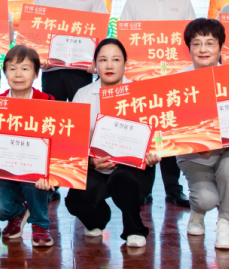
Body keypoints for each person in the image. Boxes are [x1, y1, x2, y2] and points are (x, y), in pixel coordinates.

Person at [66, 38, 161, 248]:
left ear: (126, 63)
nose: (109, 65)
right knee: (74, 201)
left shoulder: (141, 93)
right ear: (95, 64)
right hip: (97, 166)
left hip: (133, 169)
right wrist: (91, 162)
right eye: (103, 60)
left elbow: (157, 134)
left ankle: (134, 229)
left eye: (116, 59)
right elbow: (73, 140)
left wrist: (153, 153)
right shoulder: (83, 95)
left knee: (121, 179)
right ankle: (98, 219)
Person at [118, 0, 195, 209]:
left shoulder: (183, 2)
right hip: (143, 80)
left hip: (174, 79)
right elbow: (125, 42)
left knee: (170, 131)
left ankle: (174, 189)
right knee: (146, 133)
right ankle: (144, 189)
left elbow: (191, 40)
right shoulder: (134, 2)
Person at [178, 18, 229, 250]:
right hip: (194, 155)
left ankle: (225, 222)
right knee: (207, 199)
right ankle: (198, 211)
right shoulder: (176, 83)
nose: (203, 49)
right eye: (196, 44)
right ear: (188, 48)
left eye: (210, 43)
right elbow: (173, 128)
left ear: (221, 47)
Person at [0, 45, 56, 247]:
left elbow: (58, 145)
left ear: (36, 73)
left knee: (35, 178)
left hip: (38, 175)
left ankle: (40, 224)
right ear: (5, 72)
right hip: (7, 174)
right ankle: (19, 212)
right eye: (12, 68)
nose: (18, 74)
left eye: (25, 68)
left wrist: (51, 174)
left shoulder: (48, 102)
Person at [33, 0, 109, 102]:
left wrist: (95, 60)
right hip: (52, 69)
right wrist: (40, 57)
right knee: (52, 112)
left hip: (82, 69)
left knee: (82, 112)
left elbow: (100, 30)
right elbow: (36, 31)